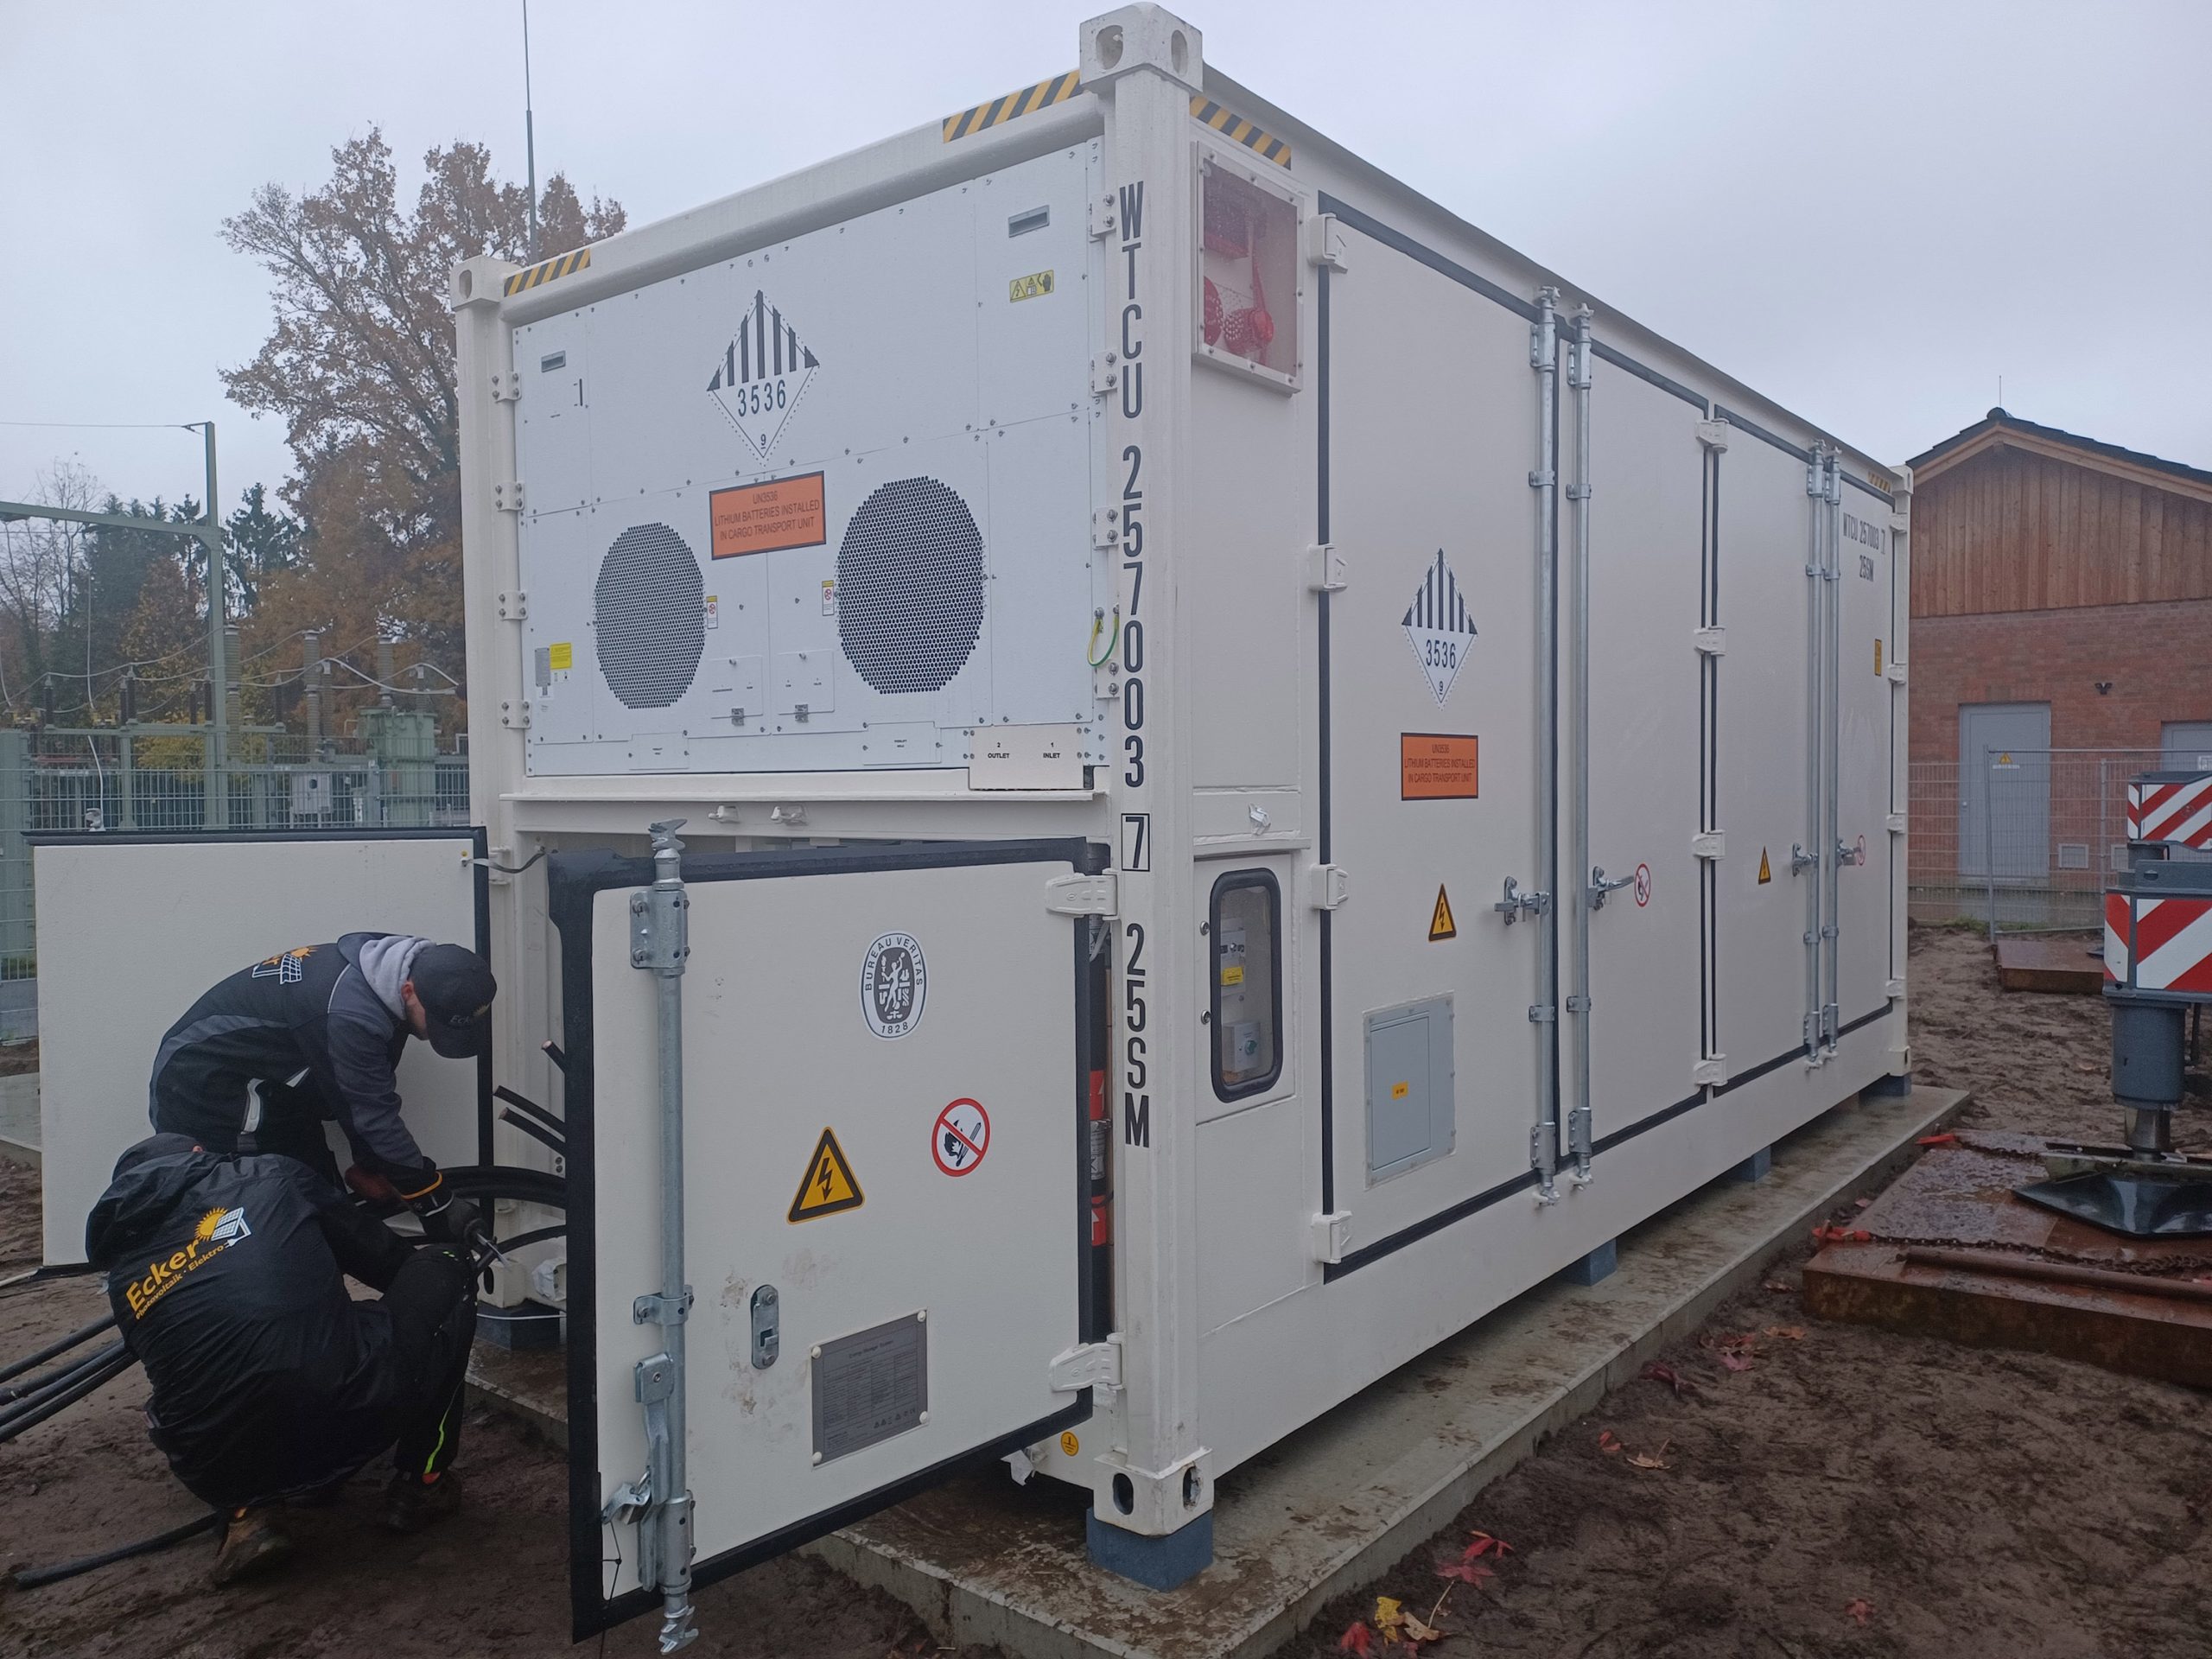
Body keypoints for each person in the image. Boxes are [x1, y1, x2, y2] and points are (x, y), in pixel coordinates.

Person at [85, 1133, 481, 1583]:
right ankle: (423, 1484)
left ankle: (249, 1516)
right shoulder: (269, 1172)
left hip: (211, 1466)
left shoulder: (122, 1274)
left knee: (209, 1374)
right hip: (344, 1407)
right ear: (198, 1155)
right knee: (445, 1267)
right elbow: (389, 1264)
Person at [148, 933, 495, 1233]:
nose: (435, 1034)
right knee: (272, 1214)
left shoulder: (396, 965)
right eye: (436, 1023)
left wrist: (374, 1166)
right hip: (203, 1087)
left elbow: (364, 1086)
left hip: (265, 1085)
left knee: (324, 1201)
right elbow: (371, 1113)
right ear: (408, 991)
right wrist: (431, 1200)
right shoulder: (348, 1012)